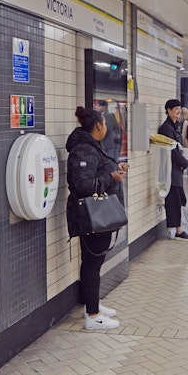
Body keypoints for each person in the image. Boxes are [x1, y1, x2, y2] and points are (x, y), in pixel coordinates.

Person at [66, 106, 127, 330]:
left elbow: (94, 175)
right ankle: (93, 316)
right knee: (92, 265)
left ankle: (93, 305)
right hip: (91, 217)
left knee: (93, 264)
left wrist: (115, 169)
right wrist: (110, 176)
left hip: (95, 216)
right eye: (105, 124)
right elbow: (84, 185)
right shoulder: (84, 149)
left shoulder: (92, 147)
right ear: (99, 126)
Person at [159, 99, 188, 240]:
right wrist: (184, 162)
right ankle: (178, 230)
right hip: (170, 170)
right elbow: (171, 150)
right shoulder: (166, 128)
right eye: (175, 109)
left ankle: (184, 226)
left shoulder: (175, 126)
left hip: (176, 169)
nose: (178, 111)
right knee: (174, 199)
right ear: (168, 110)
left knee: (180, 198)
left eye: (179, 108)